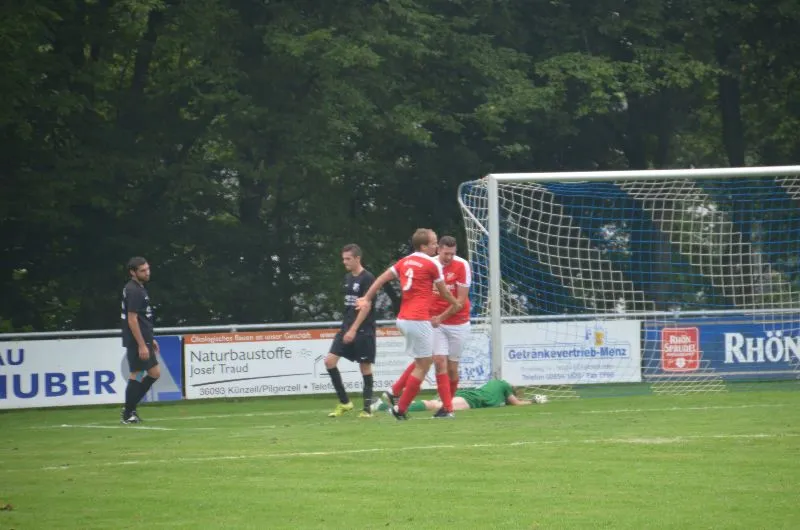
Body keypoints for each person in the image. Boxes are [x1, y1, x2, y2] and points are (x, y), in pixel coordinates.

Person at [356, 228, 462, 420]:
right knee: (423, 365)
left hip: (403, 319)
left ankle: (395, 396)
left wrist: (366, 298)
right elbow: (444, 292)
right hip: (419, 320)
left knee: (422, 362)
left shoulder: (404, 261)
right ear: (423, 246)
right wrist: (456, 304)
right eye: (433, 243)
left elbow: (381, 279)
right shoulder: (432, 263)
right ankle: (400, 408)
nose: (436, 246)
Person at [390, 235, 472, 417]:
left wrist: (441, 317)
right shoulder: (430, 264)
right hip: (435, 323)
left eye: (452, 254)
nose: (448, 257)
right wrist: (429, 317)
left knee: (452, 368)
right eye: (445, 253)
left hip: (458, 322)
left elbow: (460, 301)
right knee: (438, 360)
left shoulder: (462, 265)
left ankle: (443, 404)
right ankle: (447, 409)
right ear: (438, 250)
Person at [325, 244, 378, 418]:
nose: (345, 262)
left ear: (357, 258)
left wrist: (354, 329)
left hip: (363, 329)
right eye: (343, 259)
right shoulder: (347, 278)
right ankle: (345, 402)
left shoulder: (367, 278)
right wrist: (347, 328)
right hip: (346, 327)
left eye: (348, 259)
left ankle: (367, 410)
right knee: (329, 361)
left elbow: (366, 306)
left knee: (365, 367)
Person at [120, 257, 160, 424]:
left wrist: (150, 339)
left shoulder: (138, 288)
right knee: (136, 373)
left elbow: (143, 318)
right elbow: (132, 319)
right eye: (143, 270)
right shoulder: (134, 290)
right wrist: (142, 344)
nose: (147, 272)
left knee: (154, 373)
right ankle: (128, 413)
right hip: (137, 340)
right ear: (133, 272)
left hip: (144, 337)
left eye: (148, 269)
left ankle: (130, 408)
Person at [372, 379, 547, 414]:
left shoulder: (494, 387)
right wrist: (533, 401)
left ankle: (390, 407)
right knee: (435, 405)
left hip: (466, 395)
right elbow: (516, 403)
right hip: (470, 400)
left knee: (436, 404)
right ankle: (389, 408)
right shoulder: (504, 385)